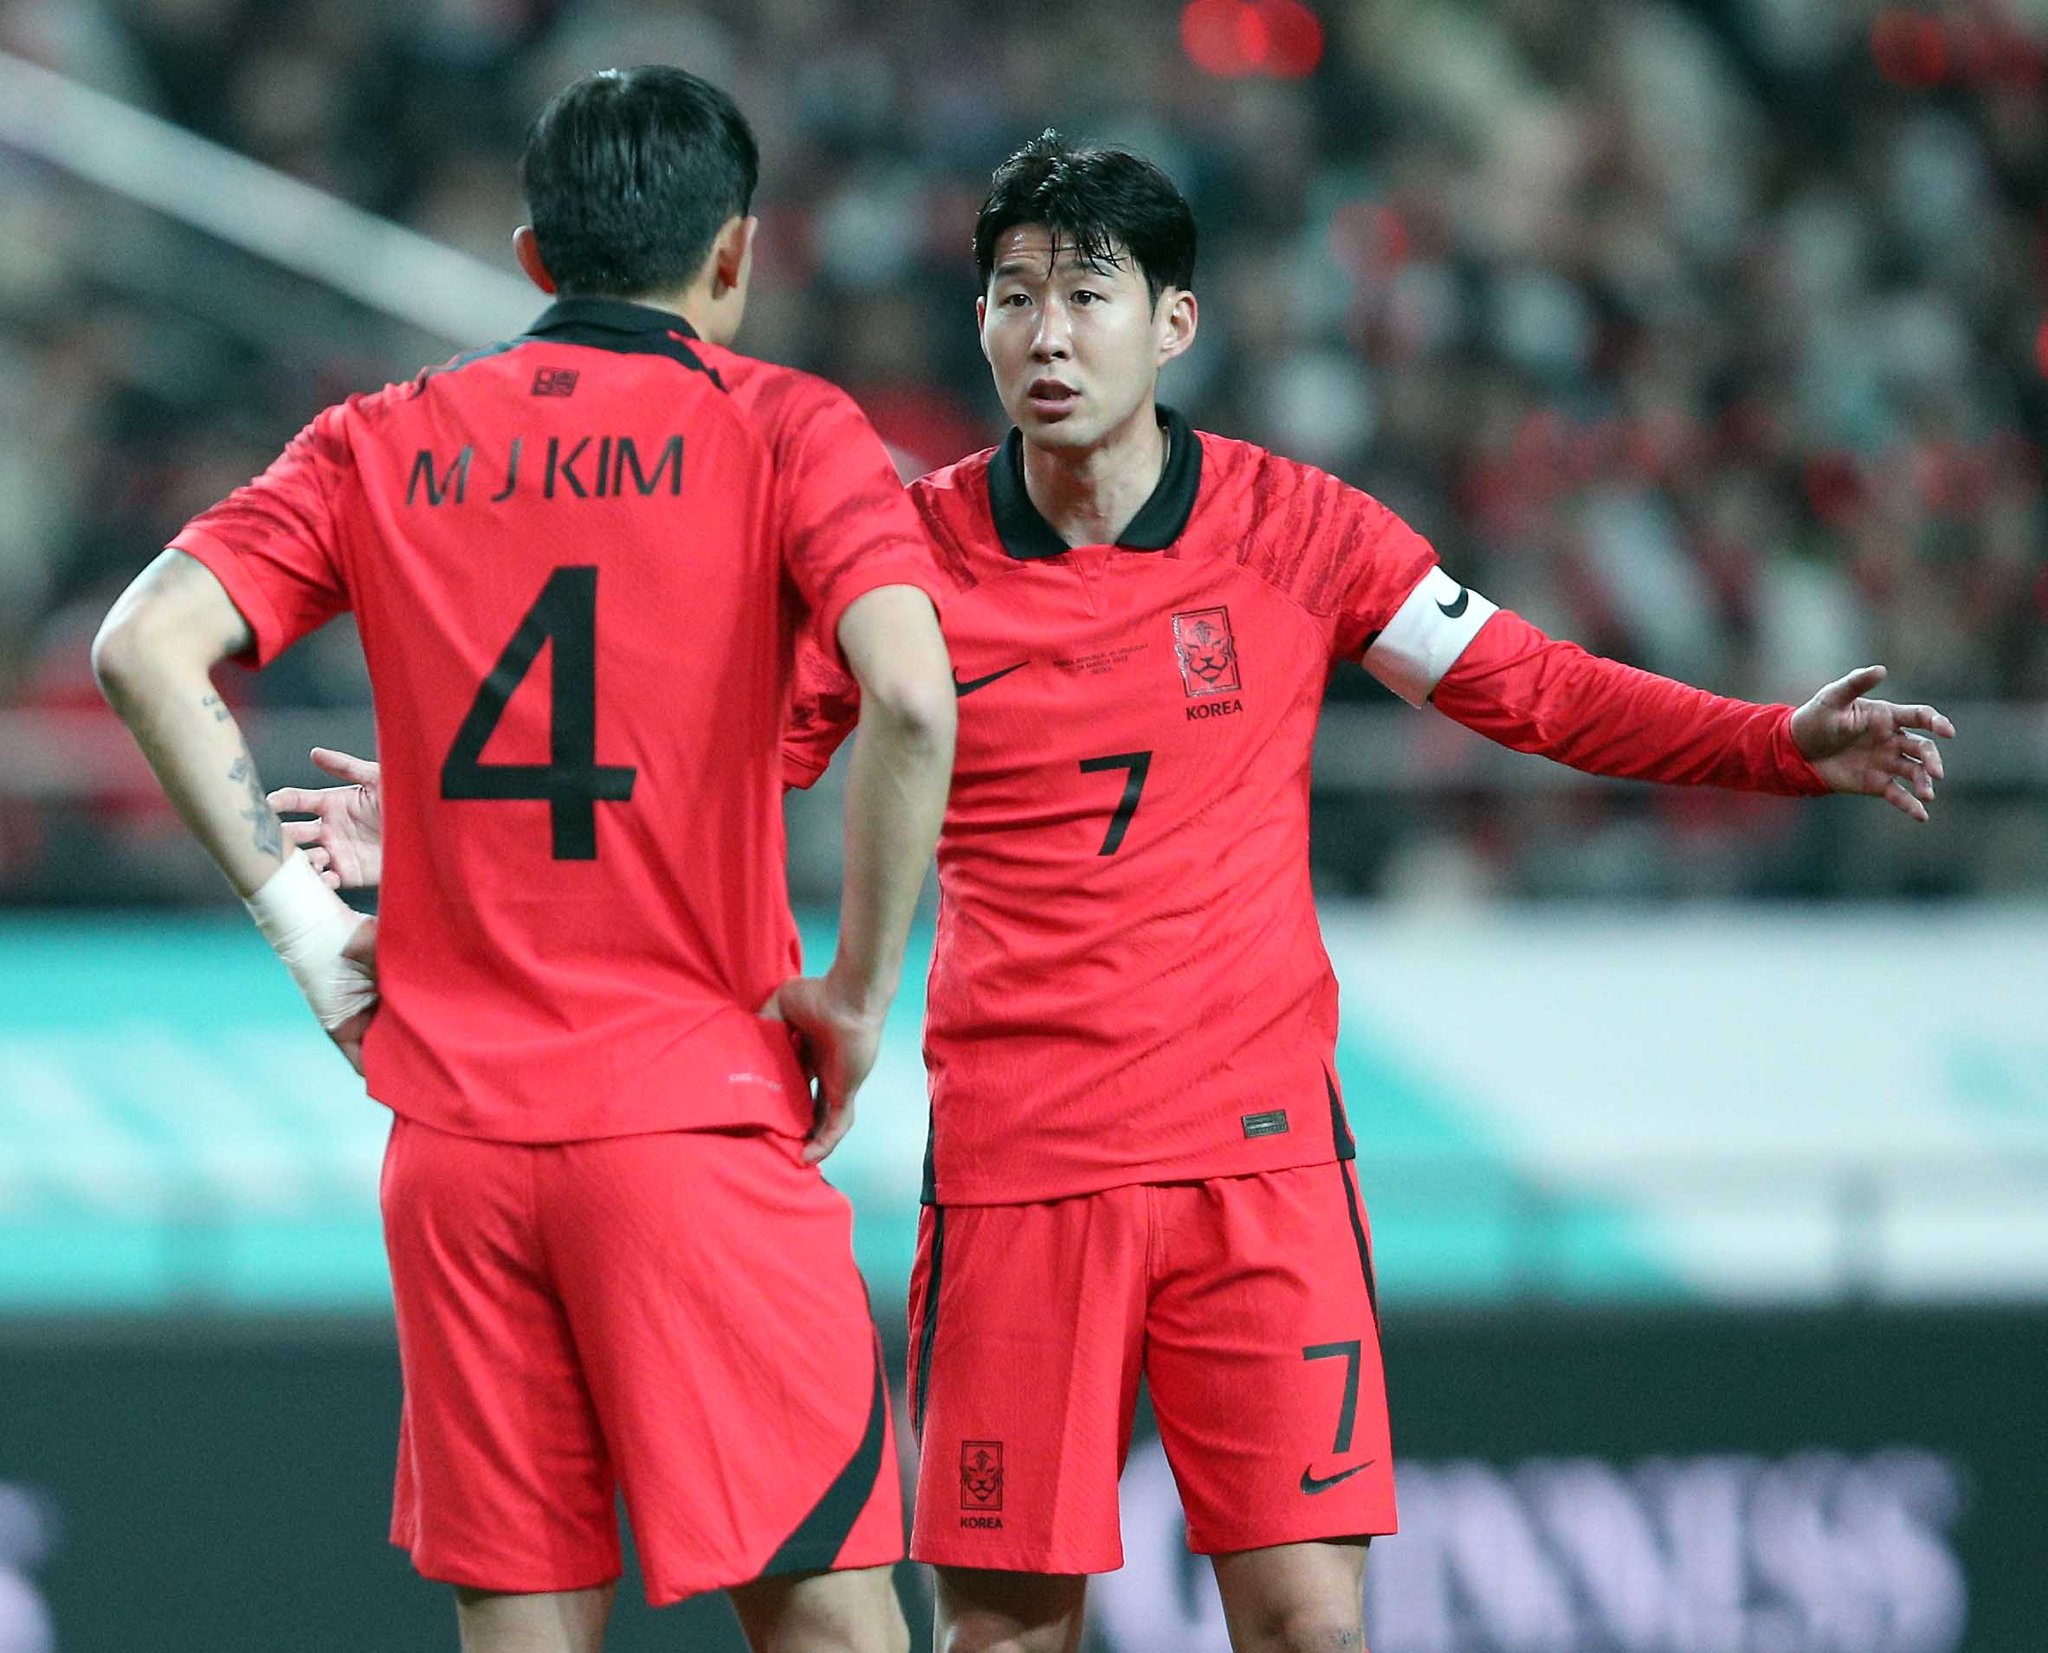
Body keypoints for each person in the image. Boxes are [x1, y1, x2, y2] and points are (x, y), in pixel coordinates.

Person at [284, 135, 1954, 1653]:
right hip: (1021, 1171)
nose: (1048, 335)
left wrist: (1771, 744)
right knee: (1006, 1638)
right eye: (1014, 296)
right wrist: (447, 830)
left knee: (1310, 1625)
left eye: (1089, 295)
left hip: (1260, 1164)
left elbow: (1528, 685)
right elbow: (698, 766)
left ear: (1176, 323)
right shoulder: (902, 558)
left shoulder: (1299, 529)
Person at [90, 66, 955, 1653]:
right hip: (689, 1115)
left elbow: (142, 646)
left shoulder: (379, 438)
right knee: (833, 1624)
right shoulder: (784, 427)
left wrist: (314, 937)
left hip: (457, 1149)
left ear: (533, 257)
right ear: (736, 253)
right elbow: (909, 693)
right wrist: (858, 992)